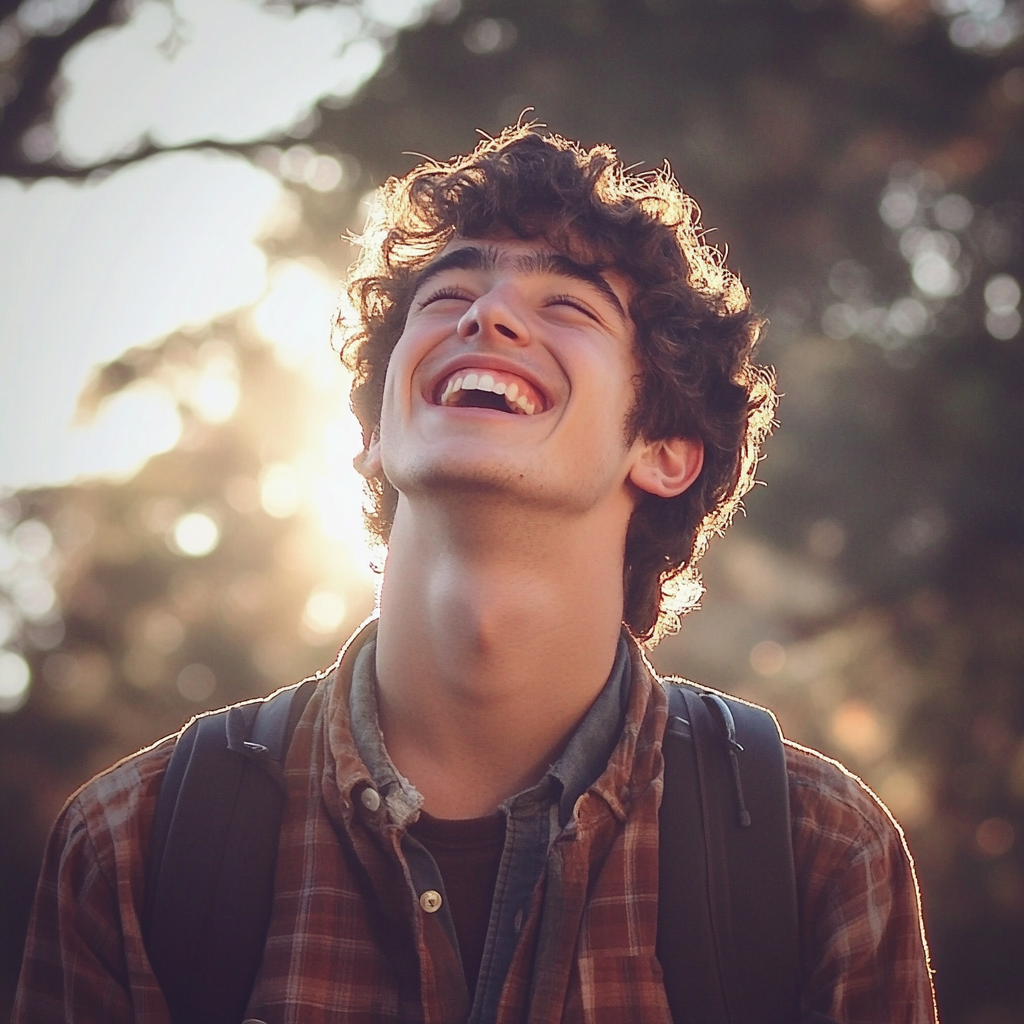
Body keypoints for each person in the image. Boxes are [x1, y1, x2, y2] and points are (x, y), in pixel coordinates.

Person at [13, 125, 938, 1023]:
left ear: (665, 450)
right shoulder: (132, 847)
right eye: (446, 295)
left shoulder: (819, 853)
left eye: (567, 306)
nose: (486, 315)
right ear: (372, 435)